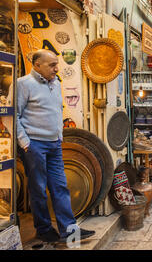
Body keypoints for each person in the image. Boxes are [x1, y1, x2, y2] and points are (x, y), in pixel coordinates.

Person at [17, 50, 95, 243]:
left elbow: (55, 112)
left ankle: (70, 231)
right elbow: (13, 117)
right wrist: (25, 143)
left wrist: (59, 136)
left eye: (56, 64)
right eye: (51, 65)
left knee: (60, 187)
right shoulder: (23, 84)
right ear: (37, 65)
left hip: (54, 144)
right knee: (38, 189)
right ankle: (44, 230)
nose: (56, 68)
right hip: (34, 145)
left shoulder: (56, 83)